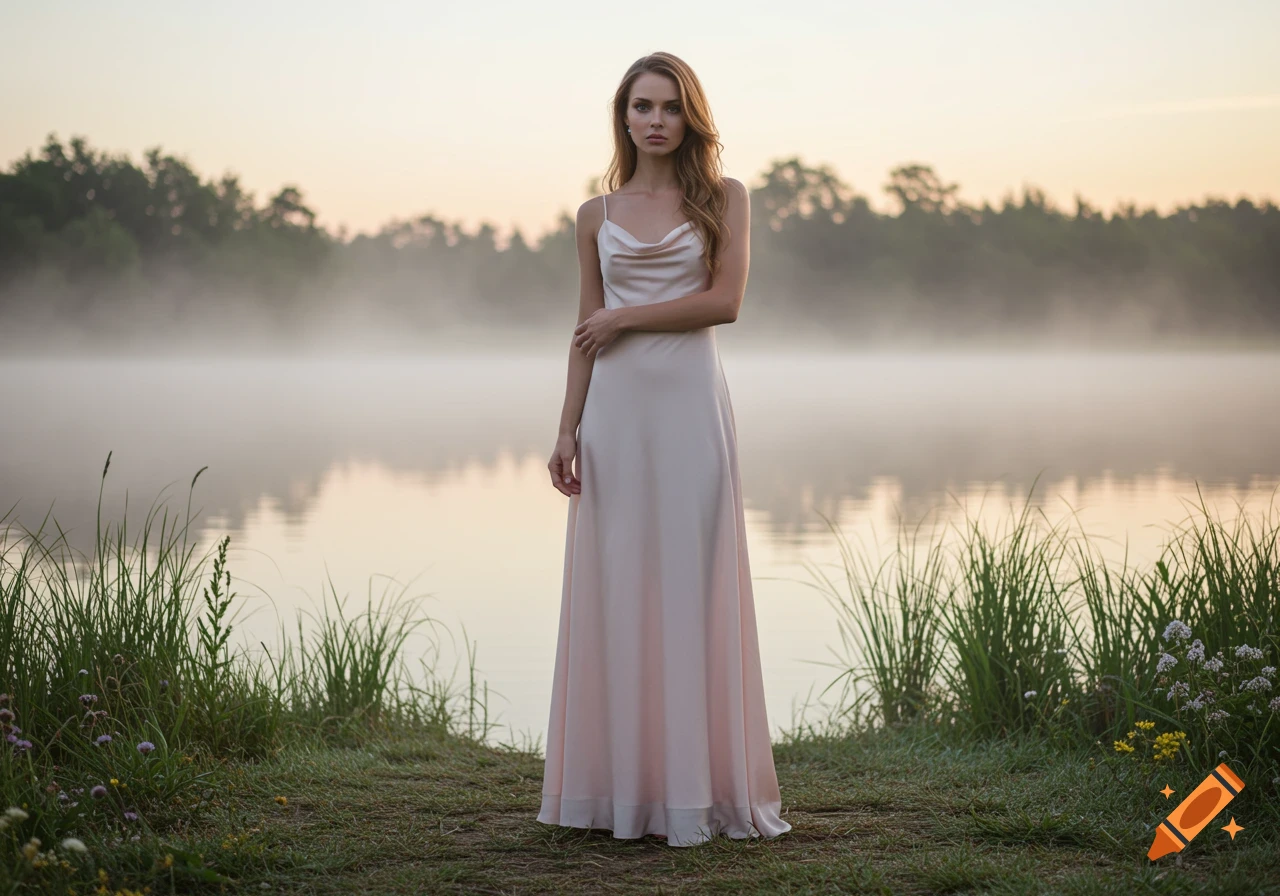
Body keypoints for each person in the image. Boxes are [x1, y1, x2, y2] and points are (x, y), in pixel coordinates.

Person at [538, 51, 791, 848]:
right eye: (641, 106)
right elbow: (584, 330)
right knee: (619, 590)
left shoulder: (724, 198)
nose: (654, 119)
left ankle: (695, 796)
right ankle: (618, 794)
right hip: (614, 418)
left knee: (689, 586)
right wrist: (566, 427)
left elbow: (726, 302)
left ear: (691, 117)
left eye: (670, 107)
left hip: (688, 415)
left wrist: (626, 320)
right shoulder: (593, 215)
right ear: (624, 118)